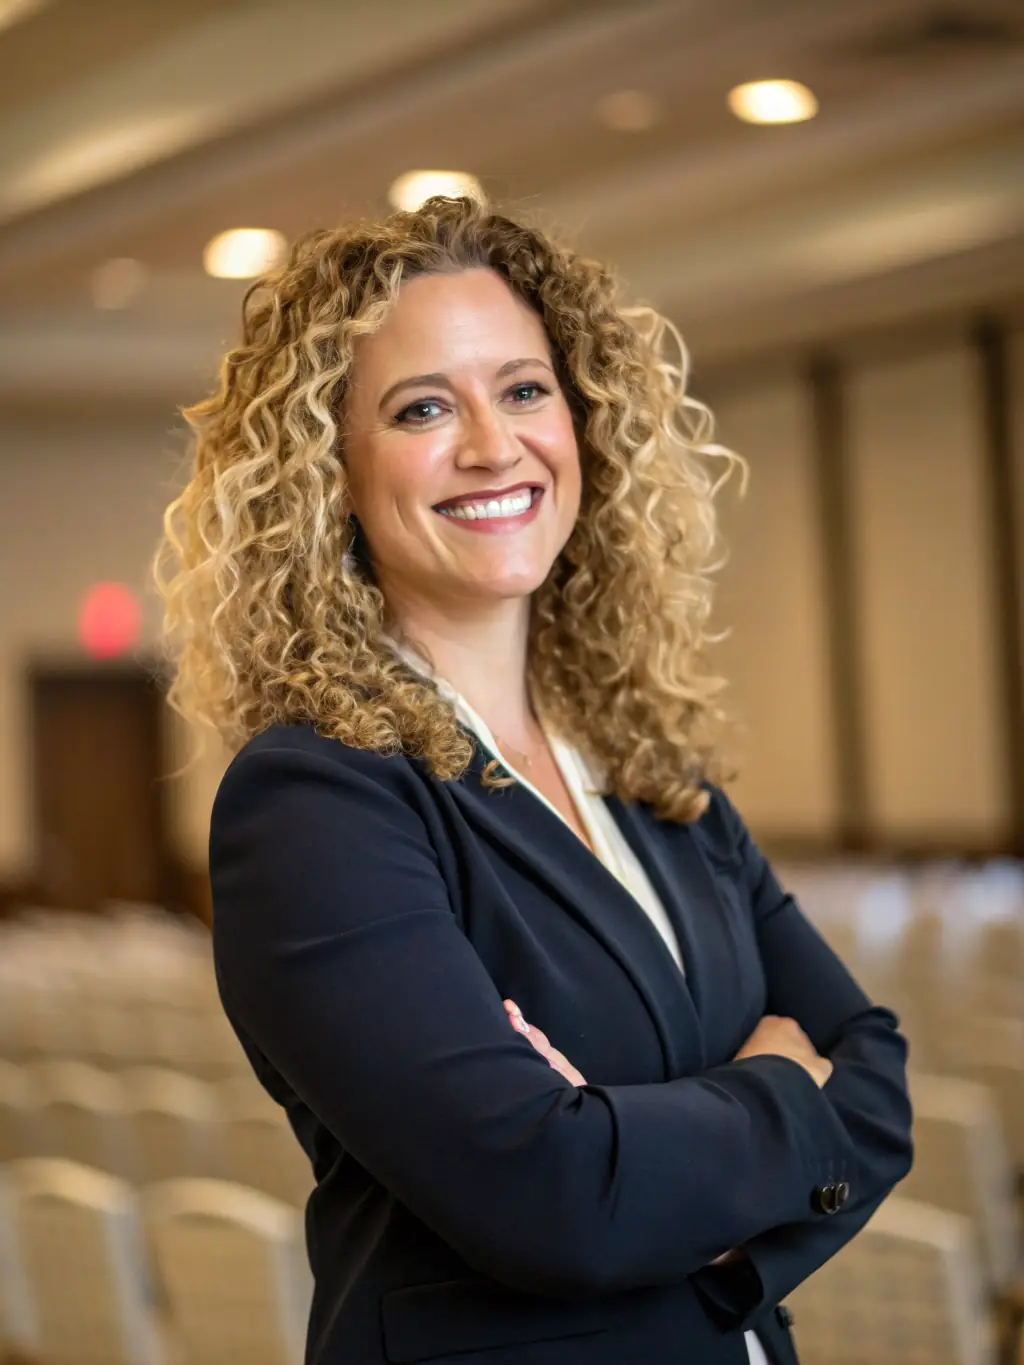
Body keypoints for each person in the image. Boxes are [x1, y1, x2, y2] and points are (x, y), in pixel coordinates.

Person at [155, 195, 913, 1365]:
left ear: (582, 420)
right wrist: (776, 1088)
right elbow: (556, 1200)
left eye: (523, 389)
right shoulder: (317, 801)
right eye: (421, 408)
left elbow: (875, 1074)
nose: (492, 446)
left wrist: (671, 1184)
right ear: (327, 476)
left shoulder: (649, 768)